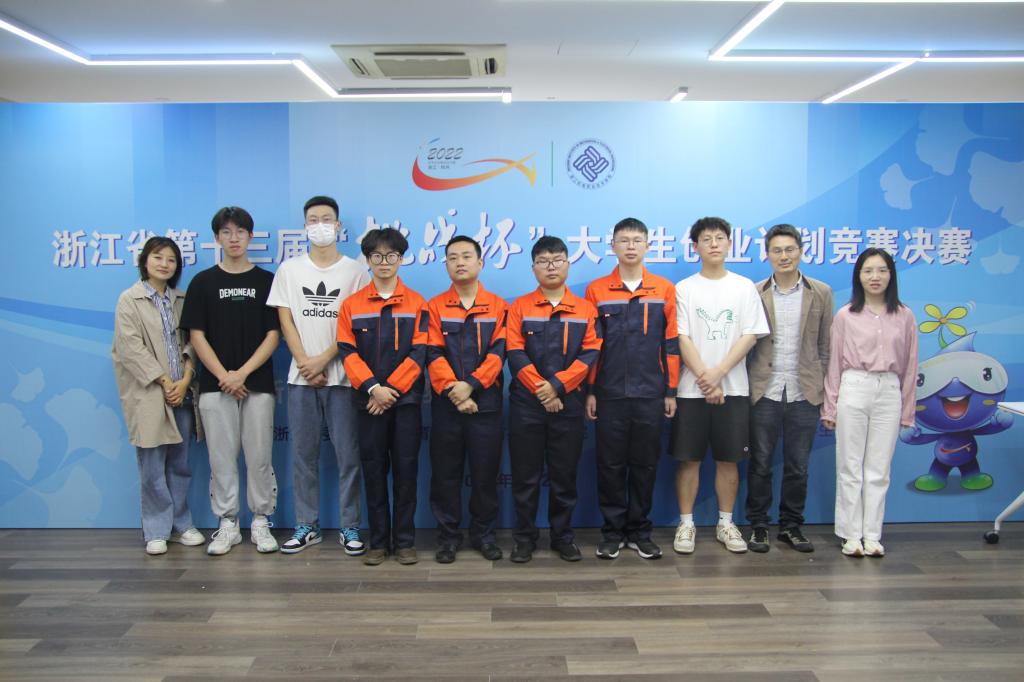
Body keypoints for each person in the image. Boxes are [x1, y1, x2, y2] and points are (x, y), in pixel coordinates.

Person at [267, 195, 370, 555]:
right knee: (303, 455)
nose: (320, 225)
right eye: (313, 219)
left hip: (343, 379)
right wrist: (305, 363)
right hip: (300, 380)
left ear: (338, 226)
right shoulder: (289, 270)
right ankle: (306, 525)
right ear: (305, 227)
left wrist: (324, 360)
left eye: (327, 219)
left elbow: (356, 326)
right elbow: (285, 320)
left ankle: (350, 525)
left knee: (348, 456)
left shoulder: (356, 272)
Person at [180, 206, 281, 556]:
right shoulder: (202, 282)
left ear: (250, 237)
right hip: (215, 385)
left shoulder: (267, 281)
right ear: (217, 238)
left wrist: (243, 373)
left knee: (259, 455)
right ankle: (228, 523)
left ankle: (261, 521)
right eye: (226, 232)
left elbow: (274, 334)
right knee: (221, 457)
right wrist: (225, 376)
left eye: (240, 232)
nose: (234, 238)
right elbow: (196, 335)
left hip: (258, 383)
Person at [673, 216, 769, 555]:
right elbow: (681, 337)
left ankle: (726, 523)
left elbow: (750, 335)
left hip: (734, 389)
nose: (713, 244)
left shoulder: (744, 287)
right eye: (706, 239)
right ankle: (686, 523)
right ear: (695, 247)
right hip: (691, 390)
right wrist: (705, 376)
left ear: (729, 244)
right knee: (689, 461)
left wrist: (719, 374)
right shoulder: (684, 288)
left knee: (729, 460)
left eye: (719, 238)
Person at [585, 218, 679, 560]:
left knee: (645, 465)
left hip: (650, 394)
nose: (630, 246)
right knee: (609, 465)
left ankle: (640, 532)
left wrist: (670, 391)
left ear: (648, 246)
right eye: (623, 240)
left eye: (637, 240)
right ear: (613, 246)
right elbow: (592, 346)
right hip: (609, 394)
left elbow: (671, 344)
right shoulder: (597, 290)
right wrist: (591, 390)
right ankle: (612, 533)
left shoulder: (664, 289)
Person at [506, 236, 601, 563]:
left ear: (568, 264)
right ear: (533, 267)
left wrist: (557, 387)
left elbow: (590, 353)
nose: (551, 266)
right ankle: (524, 539)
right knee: (525, 477)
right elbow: (514, 351)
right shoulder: (519, 307)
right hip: (526, 406)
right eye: (543, 261)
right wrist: (543, 390)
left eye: (557, 260)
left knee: (564, 477)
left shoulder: (585, 309)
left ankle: (563, 537)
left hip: (568, 405)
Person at [336, 228, 428, 566]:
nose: (384, 262)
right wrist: (374, 388)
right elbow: (347, 352)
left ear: (401, 259)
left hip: (406, 404)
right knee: (373, 472)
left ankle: (404, 542)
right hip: (368, 404)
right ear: (368, 260)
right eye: (377, 256)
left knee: (406, 472)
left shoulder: (417, 303)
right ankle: (377, 542)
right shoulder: (352, 305)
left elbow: (419, 351)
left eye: (391, 256)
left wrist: (391, 390)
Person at [821, 247, 918, 558]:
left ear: (891, 275)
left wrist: (907, 410)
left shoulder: (904, 315)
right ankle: (850, 535)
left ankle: (872, 536)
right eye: (868, 271)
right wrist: (830, 406)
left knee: (879, 468)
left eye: (882, 270)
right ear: (858, 276)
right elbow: (834, 363)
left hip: (889, 389)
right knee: (849, 466)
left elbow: (911, 365)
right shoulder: (846, 315)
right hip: (854, 386)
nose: (875, 277)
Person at [112, 236, 205, 556]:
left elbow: (193, 341)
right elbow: (129, 348)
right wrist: (165, 381)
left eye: (171, 259)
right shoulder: (130, 299)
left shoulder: (181, 299)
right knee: (152, 466)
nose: (164, 264)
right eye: (158, 257)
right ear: (145, 261)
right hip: (150, 393)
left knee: (180, 463)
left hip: (183, 393)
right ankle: (156, 529)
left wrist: (185, 380)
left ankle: (182, 524)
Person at [745, 224, 833, 553]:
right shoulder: (754, 292)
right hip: (763, 390)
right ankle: (758, 526)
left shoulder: (821, 292)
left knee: (798, 465)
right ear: (767, 255)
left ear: (800, 251)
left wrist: (823, 389)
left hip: (804, 391)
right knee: (760, 462)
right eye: (777, 250)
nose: (784, 256)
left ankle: (791, 526)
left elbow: (825, 346)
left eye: (789, 249)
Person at [426, 236, 508, 563]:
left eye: (466, 256)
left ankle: (483, 535)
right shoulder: (434, 306)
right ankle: (448, 538)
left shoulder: (499, 306)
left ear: (480, 262)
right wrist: (456, 392)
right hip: (447, 405)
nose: (460, 262)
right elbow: (432, 352)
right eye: (452, 257)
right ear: (446, 265)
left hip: (486, 405)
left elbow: (498, 353)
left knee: (485, 475)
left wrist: (471, 386)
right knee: (445, 475)